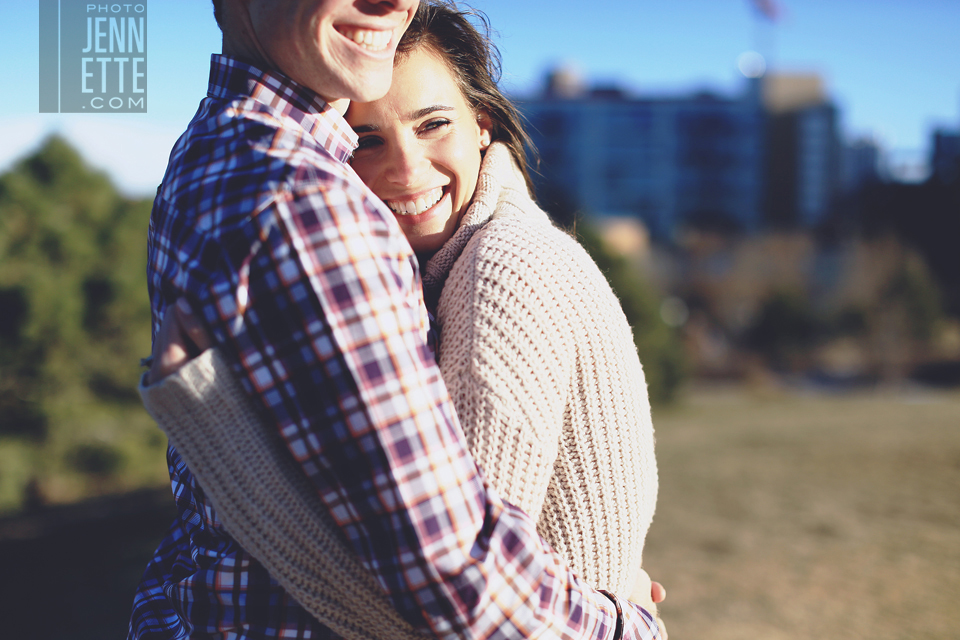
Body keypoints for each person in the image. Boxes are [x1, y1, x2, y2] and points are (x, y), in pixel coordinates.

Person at [129, 0, 662, 638]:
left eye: (434, 123)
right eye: (367, 140)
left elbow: (454, 593)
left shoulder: (213, 156)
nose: (406, 168)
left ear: (482, 125)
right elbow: (453, 588)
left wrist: (228, 452)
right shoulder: (307, 198)